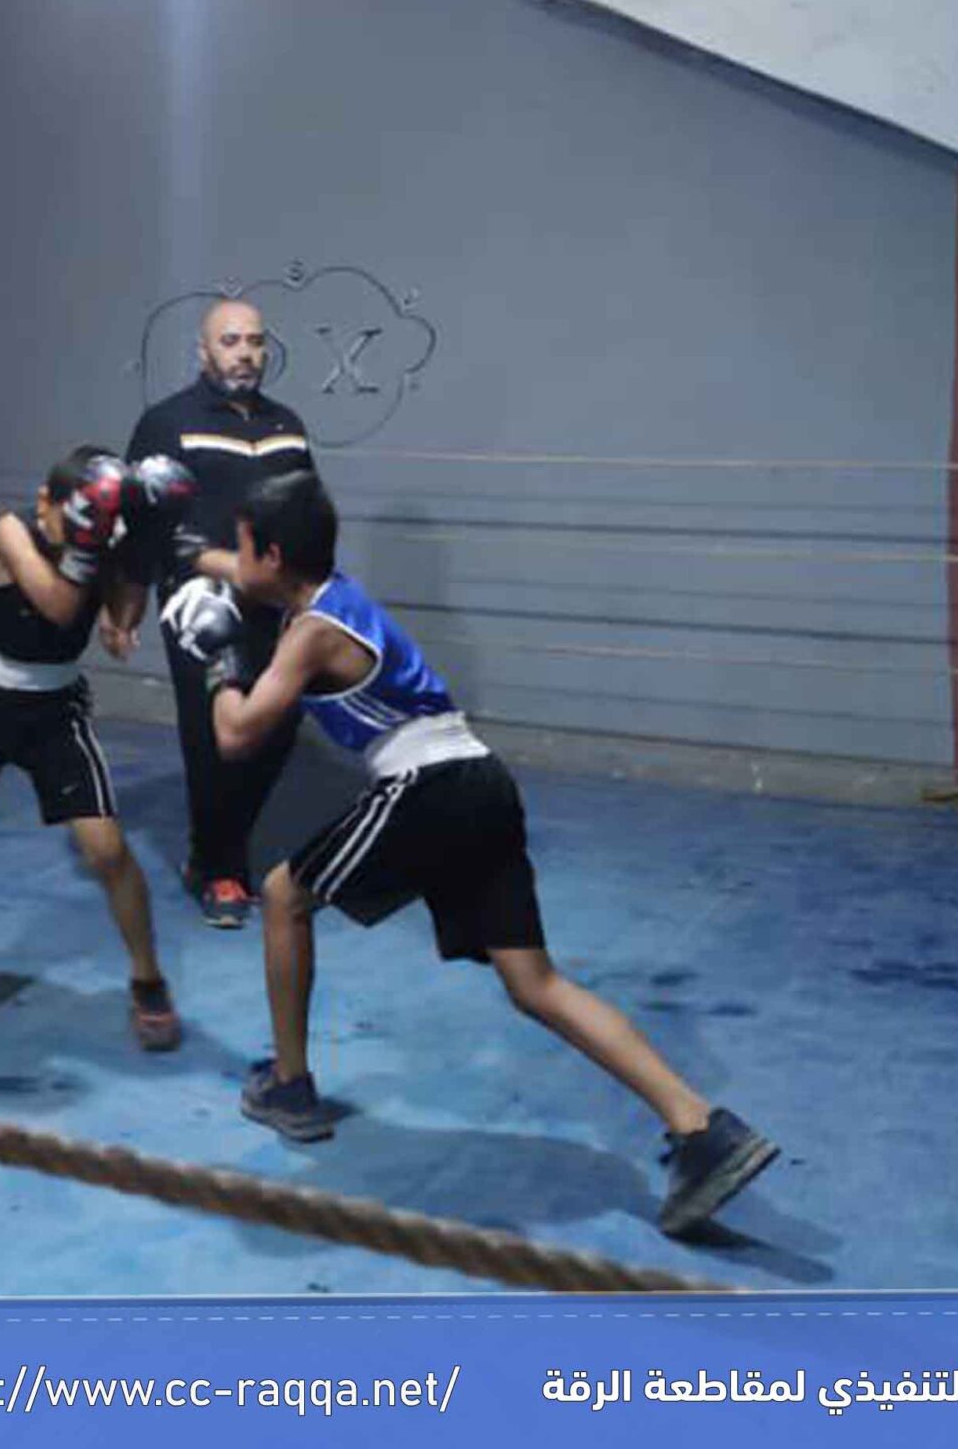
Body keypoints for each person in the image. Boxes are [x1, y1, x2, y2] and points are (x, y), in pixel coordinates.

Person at [160, 470, 779, 1238]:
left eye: (243, 545)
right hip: (482, 778)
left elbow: (235, 733)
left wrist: (217, 655)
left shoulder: (313, 630)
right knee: (535, 983)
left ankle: (288, 1085)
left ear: (276, 554)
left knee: (285, 893)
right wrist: (190, 554)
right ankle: (702, 1126)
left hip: (427, 786)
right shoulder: (330, 591)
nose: (235, 558)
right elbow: (248, 569)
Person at [0, 445, 196, 1054]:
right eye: (72, 517)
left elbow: (119, 628)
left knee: (108, 851)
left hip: (57, 709)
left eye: (92, 521)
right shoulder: (12, 531)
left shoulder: (103, 542)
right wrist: (90, 544)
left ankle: (147, 979)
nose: (77, 530)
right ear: (45, 502)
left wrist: (142, 547)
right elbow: (57, 608)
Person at [111, 298, 317, 930]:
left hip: (276, 602)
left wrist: (313, 592)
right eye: (230, 342)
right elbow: (140, 525)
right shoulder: (167, 423)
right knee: (213, 736)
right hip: (198, 601)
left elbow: (308, 514)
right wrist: (125, 606)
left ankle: (232, 845)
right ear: (203, 352)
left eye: (254, 341)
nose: (245, 353)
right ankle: (218, 867)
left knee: (279, 726)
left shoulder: (288, 426)